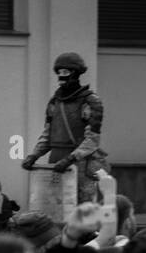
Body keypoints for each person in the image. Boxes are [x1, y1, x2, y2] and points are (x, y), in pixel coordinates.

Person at [22, 53, 108, 203]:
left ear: (75, 74)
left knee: (84, 207)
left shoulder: (91, 101)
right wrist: (33, 155)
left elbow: (92, 140)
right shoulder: (55, 102)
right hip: (55, 160)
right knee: (55, 204)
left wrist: (70, 158)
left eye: (66, 72)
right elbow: (47, 135)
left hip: (81, 162)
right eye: (59, 72)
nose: (61, 76)